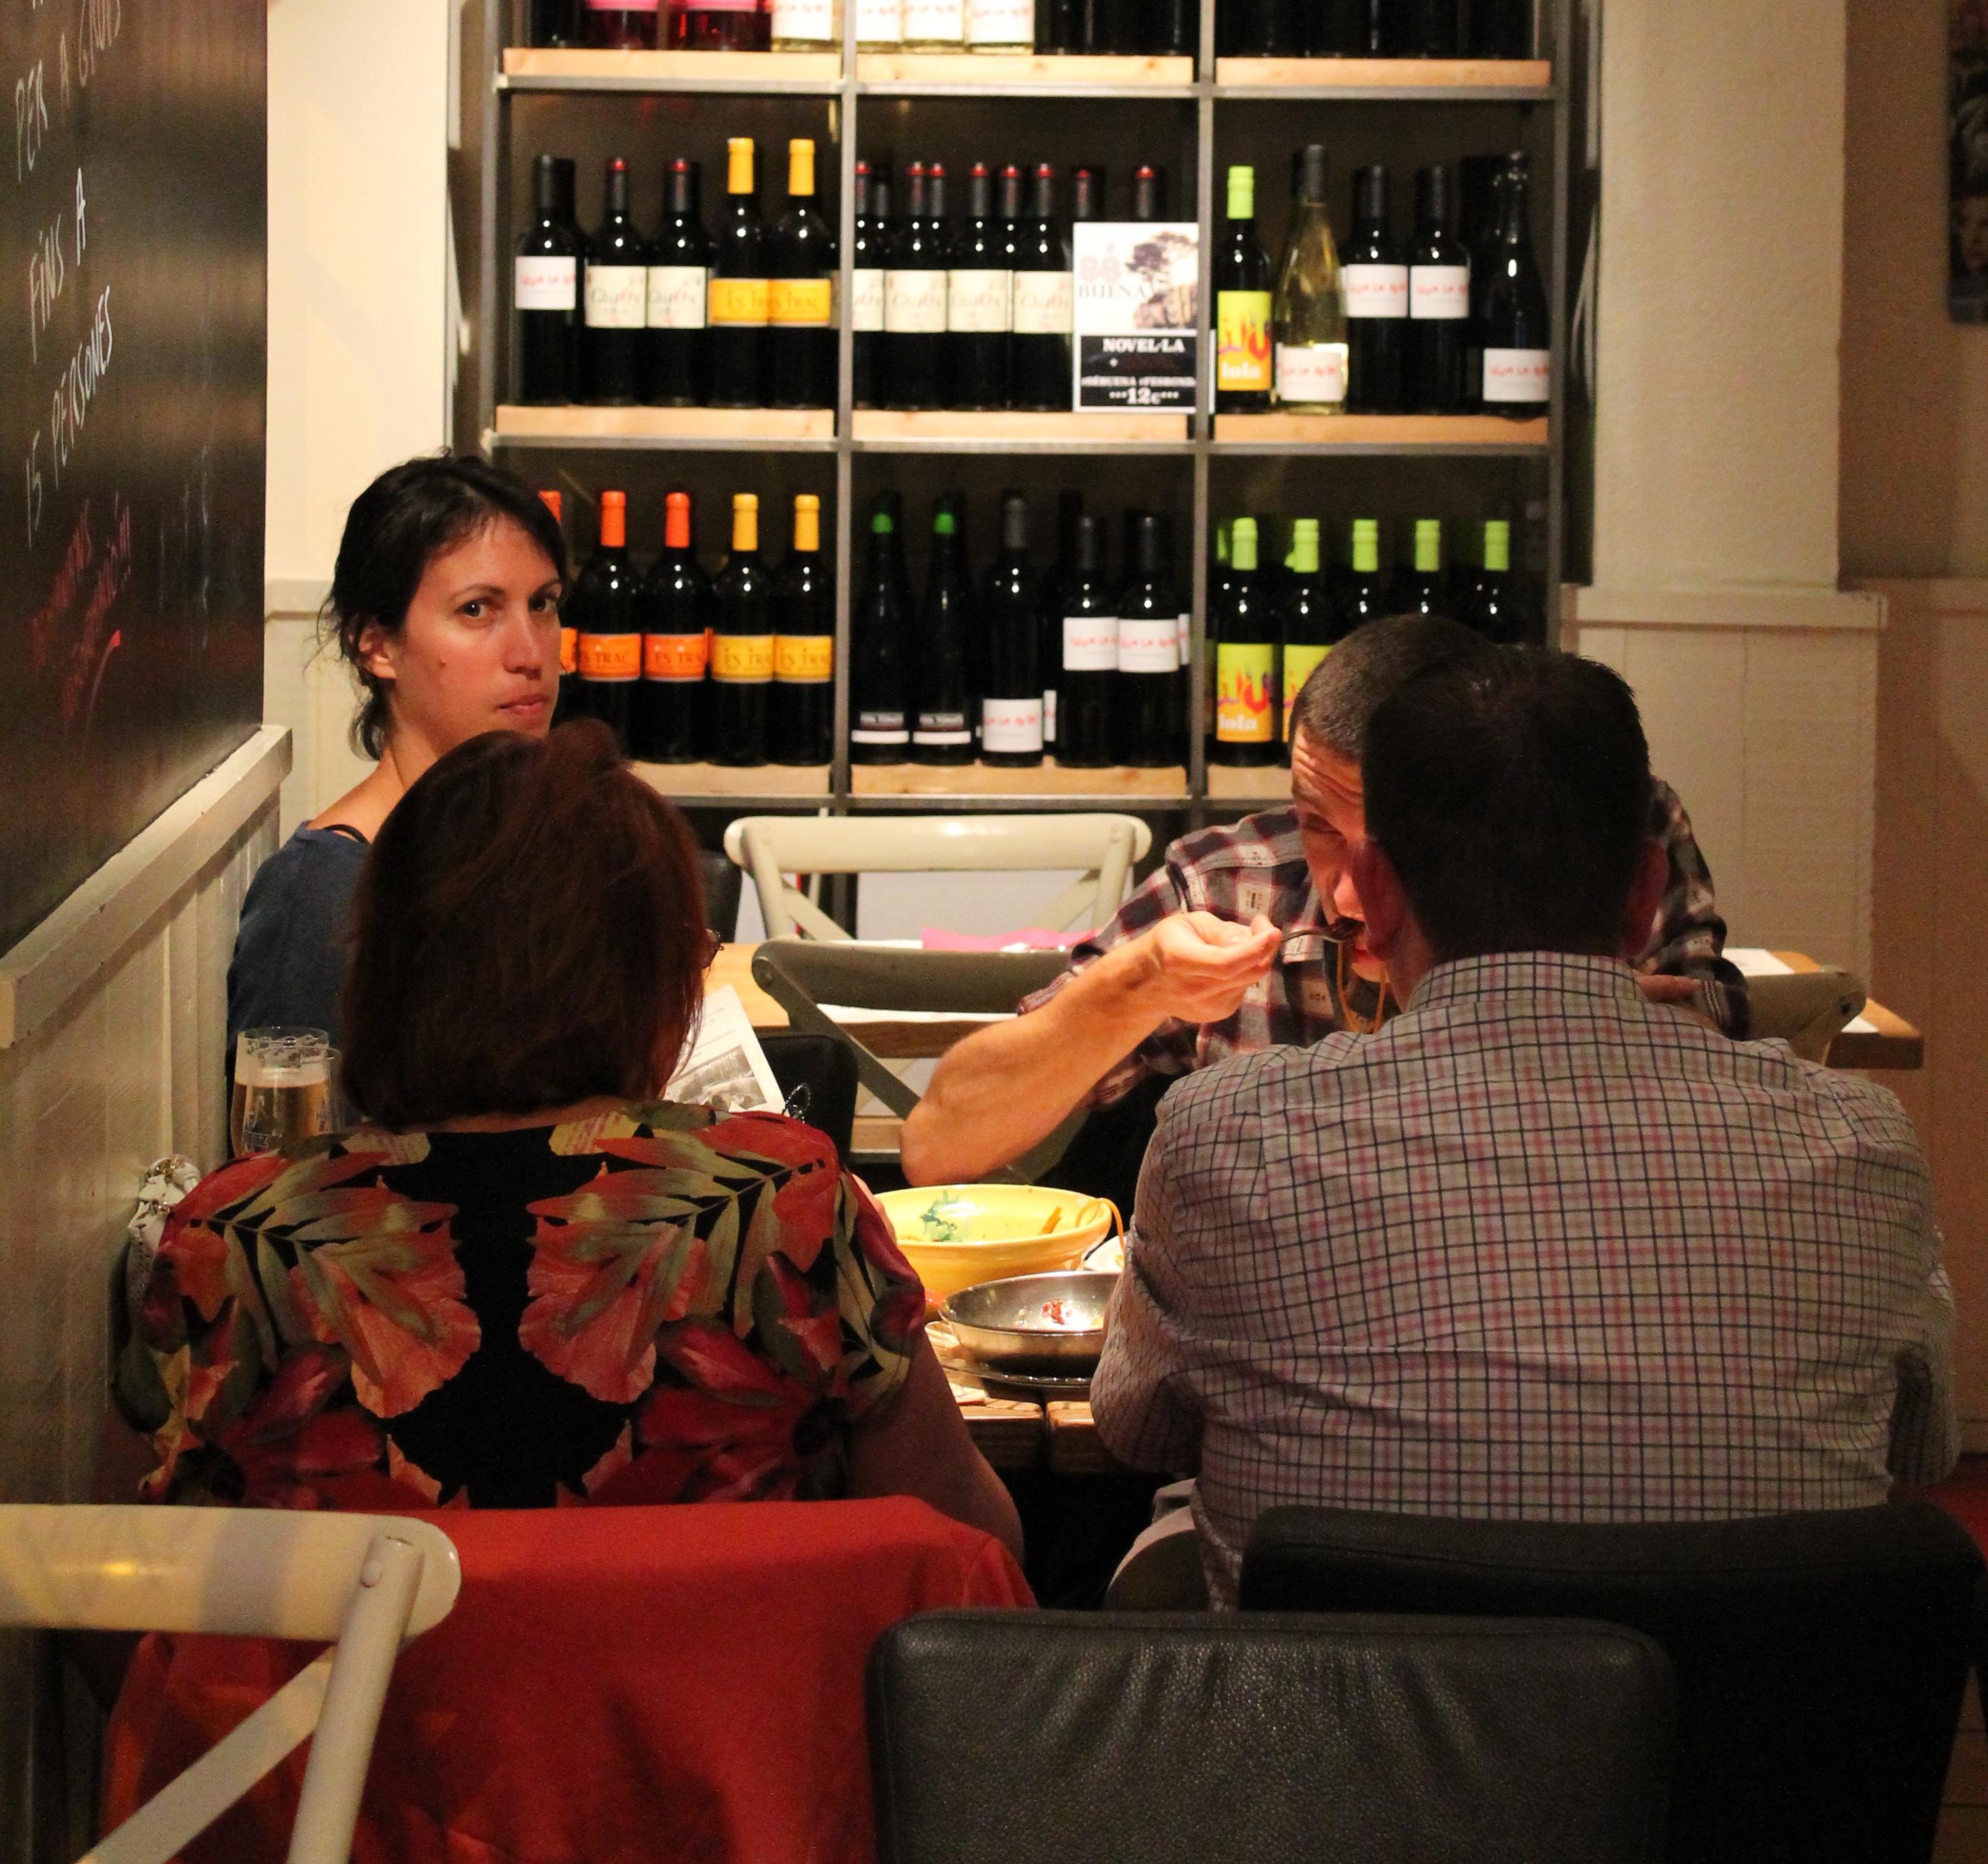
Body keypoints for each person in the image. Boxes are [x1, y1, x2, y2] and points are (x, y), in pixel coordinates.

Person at [1090, 643, 1957, 1603]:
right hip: (1743, 1703)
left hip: (1351, 1700)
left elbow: (1137, 1430)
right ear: (1644, 896)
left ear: (1375, 891)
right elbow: (1923, 1447)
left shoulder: (1219, 1136)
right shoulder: (1865, 1143)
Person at [122, 723, 1021, 1551]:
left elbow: (126, 1600)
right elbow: (970, 1549)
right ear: (644, 980)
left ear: (384, 970)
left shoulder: (231, 1241)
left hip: (367, 1686)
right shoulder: (788, 1205)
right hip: (724, 1685)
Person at [901, 613, 1742, 1190]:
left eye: (1386, 841)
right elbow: (938, 1145)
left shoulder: (1582, 845)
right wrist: (1138, 983)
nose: (1348, 894)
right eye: (1318, 825)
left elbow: (1724, 1056)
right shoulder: (1228, 882)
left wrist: (1582, 1008)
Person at [227, 454, 565, 1051]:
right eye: (477, 610)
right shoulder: (326, 892)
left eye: (542, 604)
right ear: (377, 647)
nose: (530, 653)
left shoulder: (527, 842)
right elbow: (291, 1111)